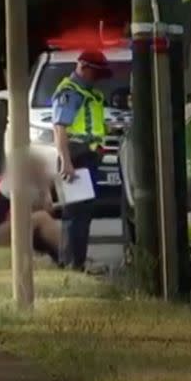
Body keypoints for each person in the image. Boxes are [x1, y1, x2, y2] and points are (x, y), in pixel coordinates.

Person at [51, 49, 111, 272]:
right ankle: (70, 265)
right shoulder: (70, 92)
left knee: (83, 214)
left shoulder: (88, 92)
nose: (97, 79)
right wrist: (66, 162)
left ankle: (77, 262)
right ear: (83, 67)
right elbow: (59, 128)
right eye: (95, 74)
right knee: (75, 215)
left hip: (86, 156)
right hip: (75, 157)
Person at [0, 153, 61, 264]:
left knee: (42, 221)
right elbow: (25, 214)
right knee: (41, 218)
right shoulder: (9, 183)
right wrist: (45, 193)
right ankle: (69, 258)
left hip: (2, 233)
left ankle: (65, 259)